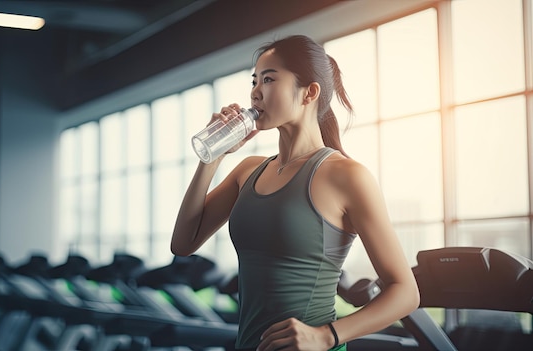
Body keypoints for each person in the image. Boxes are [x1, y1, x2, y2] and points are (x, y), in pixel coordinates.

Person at [171, 34, 419, 351]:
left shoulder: (347, 176)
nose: (255, 92)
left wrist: (325, 335)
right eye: (254, 81)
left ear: (309, 93)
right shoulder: (248, 170)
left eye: (269, 79)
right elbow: (183, 243)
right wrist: (213, 155)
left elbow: (405, 292)